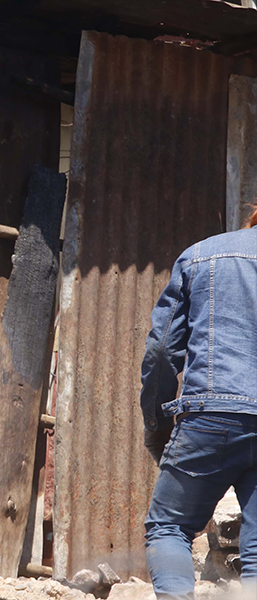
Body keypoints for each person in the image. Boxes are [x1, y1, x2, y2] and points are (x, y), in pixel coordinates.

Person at [141, 208, 257, 599]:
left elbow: (160, 351)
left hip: (212, 418)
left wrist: (156, 419)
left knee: (169, 526)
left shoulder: (203, 255)